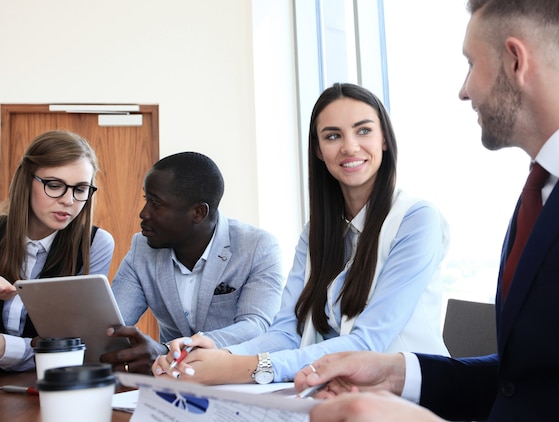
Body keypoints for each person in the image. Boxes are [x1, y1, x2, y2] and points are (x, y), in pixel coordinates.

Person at [295, 0, 559, 421]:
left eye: (471, 64)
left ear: (515, 60)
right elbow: (526, 383)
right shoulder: (543, 187)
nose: (464, 89)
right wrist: (399, 374)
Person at [152, 82, 450, 384]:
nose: (349, 146)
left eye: (363, 131)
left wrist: (247, 367)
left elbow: (367, 344)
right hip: (339, 395)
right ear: (319, 151)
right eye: (333, 135)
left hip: (412, 403)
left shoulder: (417, 220)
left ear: (384, 139)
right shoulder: (317, 232)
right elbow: (286, 331)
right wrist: (219, 354)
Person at [100, 152, 284, 375]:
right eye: (146, 200)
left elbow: (256, 326)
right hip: (172, 384)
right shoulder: (142, 248)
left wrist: (167, 351)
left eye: (155, 203)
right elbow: (112, 325)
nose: (143, 213)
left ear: (198, 212)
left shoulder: (257, 247)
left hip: (236, 378)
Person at [0, 130, 114, 372]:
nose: (69, 200)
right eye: (54, 185)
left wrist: (4, 347)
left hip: (50, 383)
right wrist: (28, 346)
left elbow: (79, 345)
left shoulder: (95, 243)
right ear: (25, 181)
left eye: (81, 189)